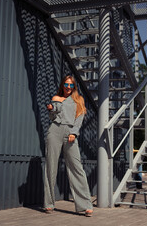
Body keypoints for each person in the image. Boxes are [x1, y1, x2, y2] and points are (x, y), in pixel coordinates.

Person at [44, 75, 93, 217]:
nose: (69, 88)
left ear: (74, 87)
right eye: (66, 85)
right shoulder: (56, 98)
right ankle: (49, 204)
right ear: (62, 85)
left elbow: (79, 118)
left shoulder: (78, 100)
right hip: (55, 131)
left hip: (71, 133)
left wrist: (74, 133)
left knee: (77, 168)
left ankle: (85, 205)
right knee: (51, 166)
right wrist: (51, 109)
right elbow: (53, 118)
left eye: (71, 85)